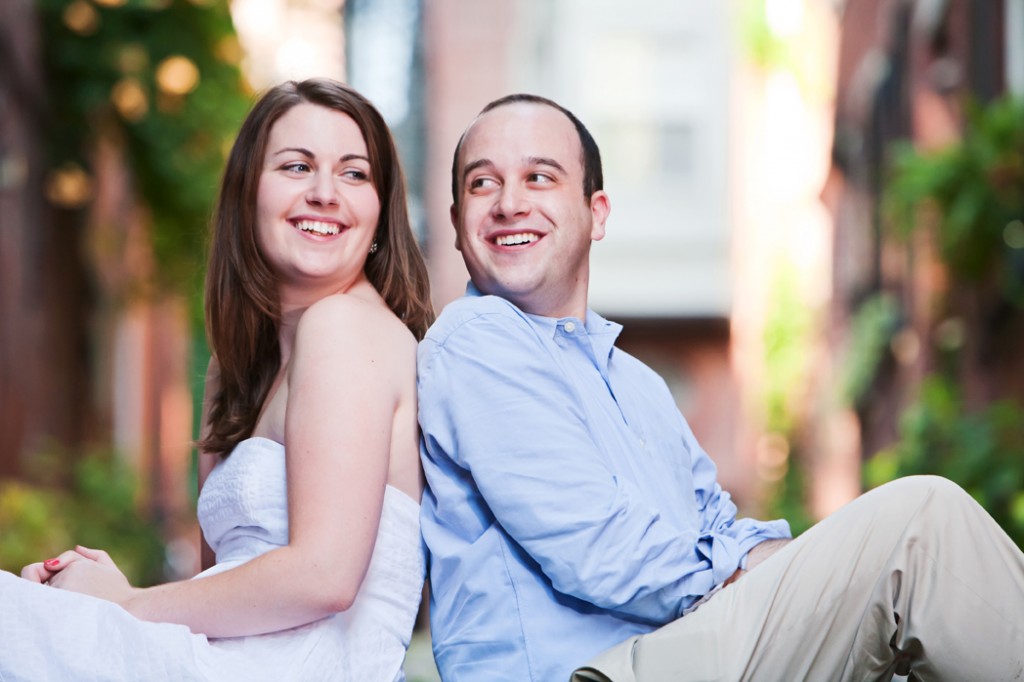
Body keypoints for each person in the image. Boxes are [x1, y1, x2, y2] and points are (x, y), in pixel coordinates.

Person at [417, 93, 1024, 681]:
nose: (507, 203)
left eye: (540, 177)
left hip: (678, 651)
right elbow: (602, 550)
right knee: (919, 524)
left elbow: (720, 528)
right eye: (482, 183)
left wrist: (814, 579)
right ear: (456, 221)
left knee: (909, 622)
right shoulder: (476, 340)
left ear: (596, 212)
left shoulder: (638, 385)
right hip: (591, 672)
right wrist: (800, 577)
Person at [0, 77, 433, 681]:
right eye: (296, 166)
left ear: (381, 212)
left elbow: (324, 578)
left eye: (355, 174)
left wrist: (121, 608)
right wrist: (98, 594)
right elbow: (221, 594)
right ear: (247, 194)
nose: (326, 193)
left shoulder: (347, 328)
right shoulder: (233, 370)